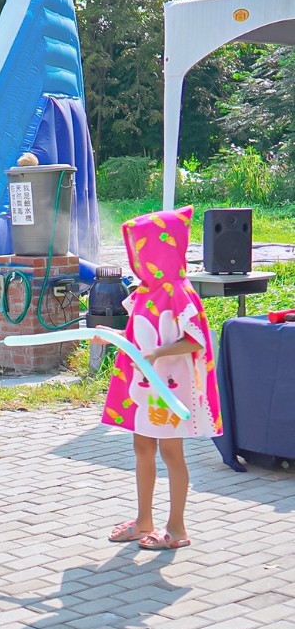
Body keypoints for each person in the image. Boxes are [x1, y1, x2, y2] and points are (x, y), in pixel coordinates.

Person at [99, 206, 221, 549]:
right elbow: (140, 331)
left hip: (169, 388)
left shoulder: (179, 291)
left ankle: (177, 527)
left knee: (171, 453)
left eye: (142, 248)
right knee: (142, 446)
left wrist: (157, 355)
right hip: (143, 387)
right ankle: (143, 521)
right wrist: (108, 335)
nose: (137, 255)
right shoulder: (145, 290)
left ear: (160, 249)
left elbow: (196, 337)